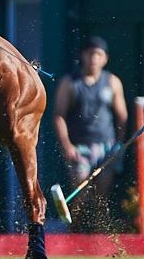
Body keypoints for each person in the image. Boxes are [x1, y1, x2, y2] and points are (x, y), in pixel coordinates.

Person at [52, 36, 128, 231]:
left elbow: (122, 117)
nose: (94, 58)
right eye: (90, 53)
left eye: (98, 54)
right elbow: (59, 115)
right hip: (79, 147)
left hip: (106, 148)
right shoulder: (69, 83)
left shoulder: (112, 82)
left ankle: (99, 233)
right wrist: (67, 146)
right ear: (83, 55)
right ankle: (74, 230)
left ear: (105, 58)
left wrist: (118, 145)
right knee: (81, 188)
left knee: (102, 191)